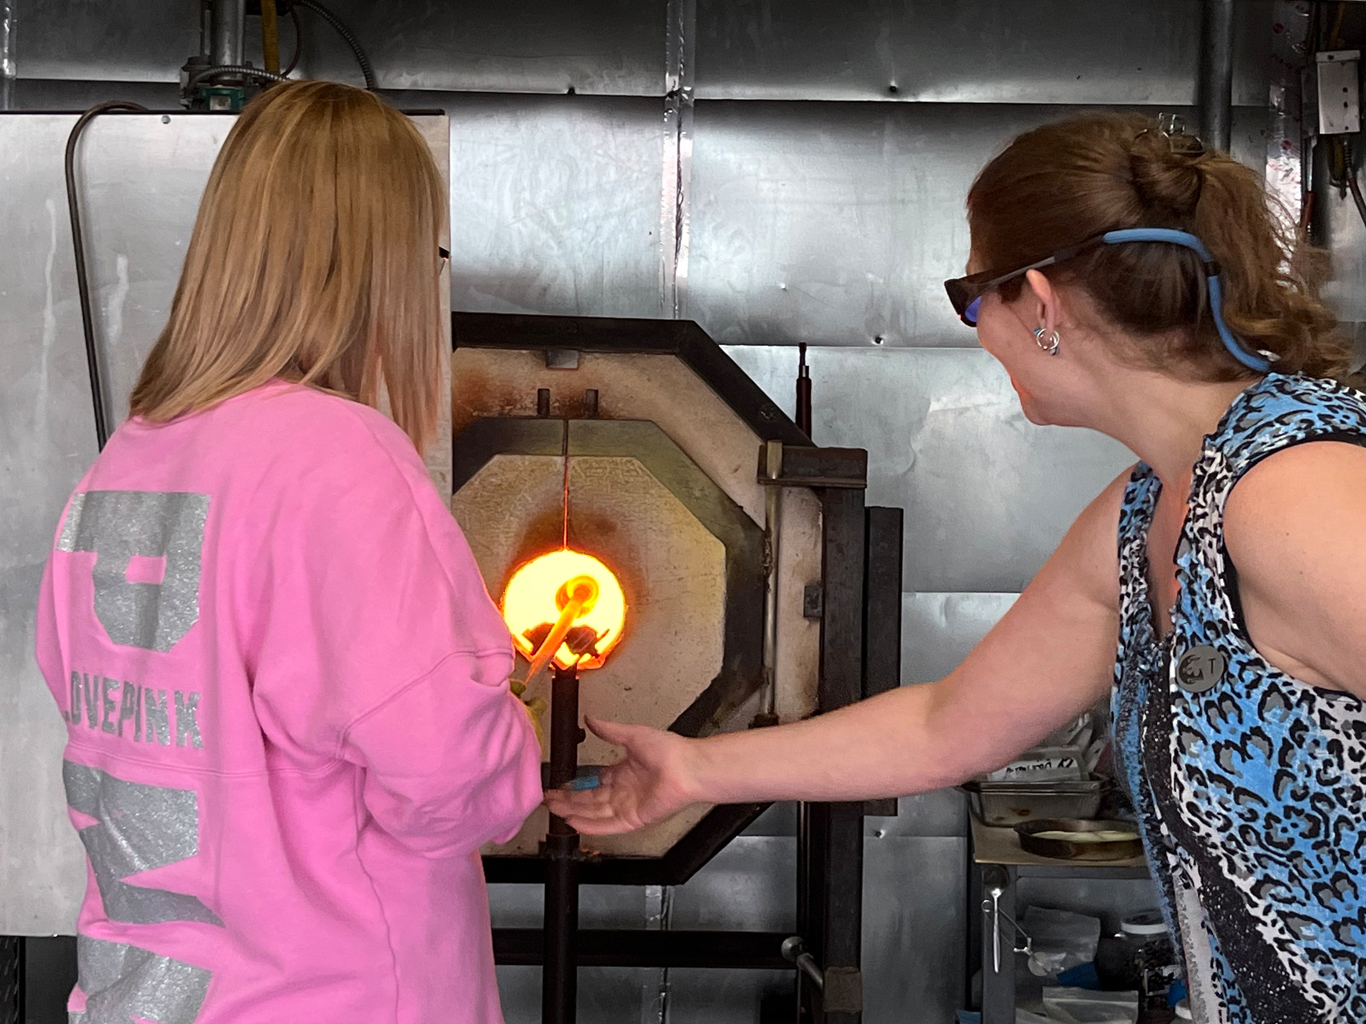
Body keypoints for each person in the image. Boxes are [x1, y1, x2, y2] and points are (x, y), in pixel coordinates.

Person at [547, 113, 1366, 1023]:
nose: (980, 334)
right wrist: (698, 770)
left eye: (974, 296)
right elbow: (949, 726)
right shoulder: (1150, 513)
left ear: (1043, 305)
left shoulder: (1292, 494)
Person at [36, 82, 541, 1024]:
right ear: (379, 263)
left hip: (145, 998)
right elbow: (450, 779)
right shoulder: (339, 461)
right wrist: (512, 736)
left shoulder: (125, 462)